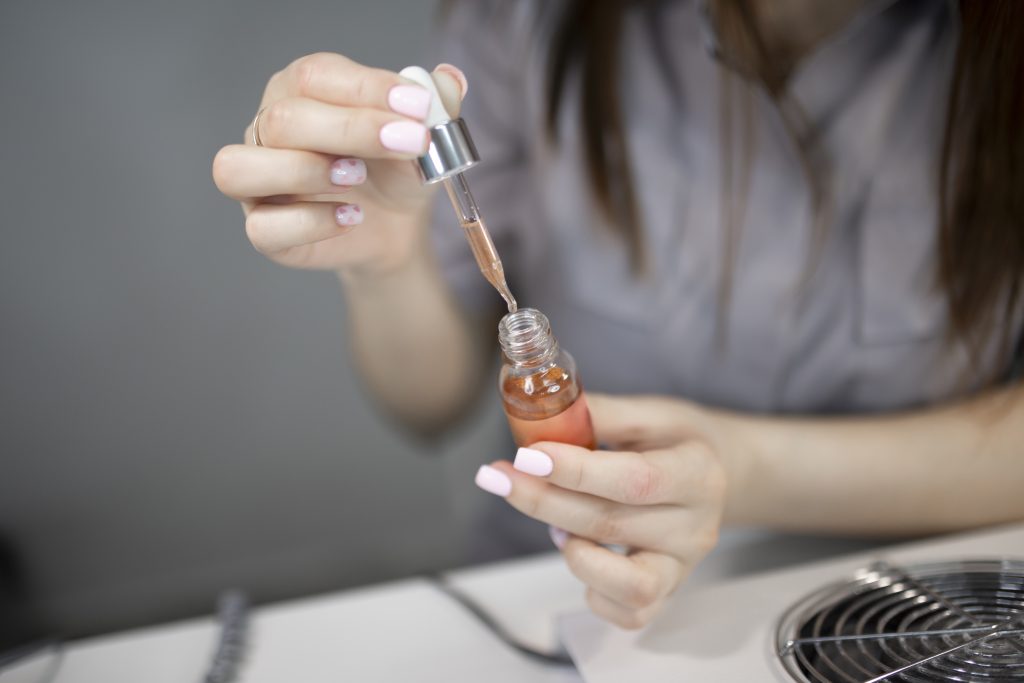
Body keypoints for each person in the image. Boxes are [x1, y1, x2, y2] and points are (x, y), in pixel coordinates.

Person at [212, 0, 1024, 630]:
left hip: (890, 602)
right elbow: (428, 404)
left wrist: (737, 469)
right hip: (555, 595)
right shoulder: (535, 20)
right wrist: (385, 261)